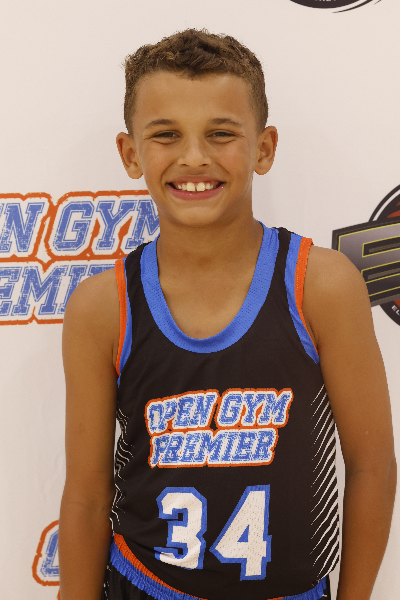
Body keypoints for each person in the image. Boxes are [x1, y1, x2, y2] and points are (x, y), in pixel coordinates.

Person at [58, 29, 397, 600]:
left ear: (264, 148)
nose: (194, 157)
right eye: (166, 134)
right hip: (145, 585)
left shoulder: (320, 285)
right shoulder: (103, 306)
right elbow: (88, 496)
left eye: (221, 133)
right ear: (131, 153)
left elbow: (372, 465)